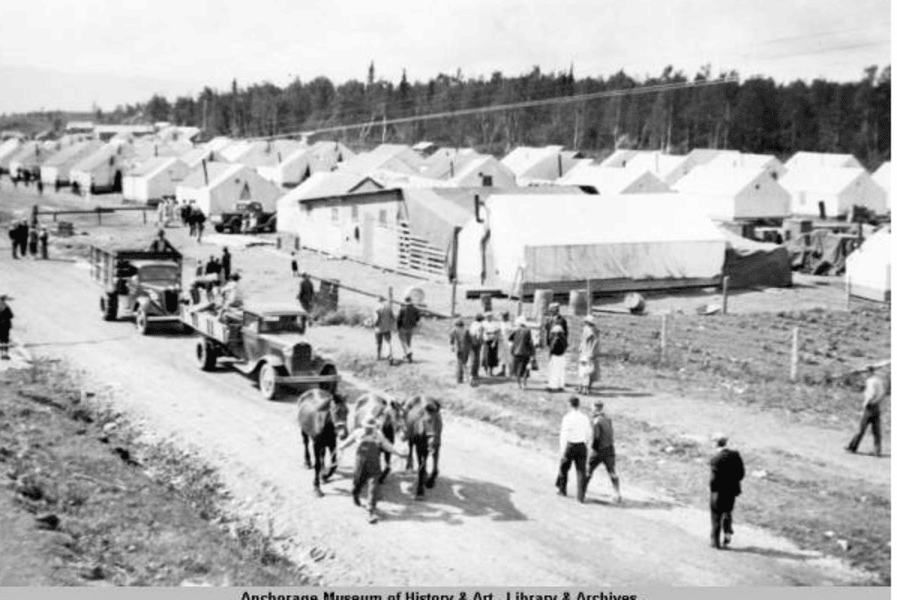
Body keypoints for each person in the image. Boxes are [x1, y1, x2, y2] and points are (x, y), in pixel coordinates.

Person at [339, 416, 407, 524]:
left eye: (372, 427)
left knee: (373, 487)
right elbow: (347, 442)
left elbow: (387, 445)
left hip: (374, 465)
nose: (369, 429)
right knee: (358, 483)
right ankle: (355, 493)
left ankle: (370, 511)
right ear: (363, 426)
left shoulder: (378, 435)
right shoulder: (357, 433)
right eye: (367, 427)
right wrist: (341, 447)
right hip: (360, 465)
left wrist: (398, 453)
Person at [709, 433, 745, 549]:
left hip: (718, 491)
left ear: (716, 443)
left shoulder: (715, 459)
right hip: (732, 490)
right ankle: (727, 533)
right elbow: (741, 474)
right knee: (727, 511)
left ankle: (715, 542)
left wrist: (713, 488)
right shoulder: (735, 455)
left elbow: (713, 479)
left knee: (716, 515)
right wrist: (733, 483)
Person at [555, 396, 592, 503]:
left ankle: (562, 489)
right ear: (578, 405)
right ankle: (581, 496)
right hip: (581, 445)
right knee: (581, 471)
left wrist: (562, 450)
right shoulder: (584, 417)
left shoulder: (567, 418)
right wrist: (587, 443)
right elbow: (589, 432)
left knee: (564, 468)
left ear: (570, 405)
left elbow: (564, 435)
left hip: (570, 445)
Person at [846, 365, 888, 457]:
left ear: (870, 372)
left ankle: (853, 447)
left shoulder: (870, 381)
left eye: (866, 372)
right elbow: (883, 392)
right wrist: (877, 401)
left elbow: (871, 393)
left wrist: (869, 402)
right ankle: (877, 451)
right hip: (877, 406)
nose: (865, 373)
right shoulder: (878, 380)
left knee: (861, 429)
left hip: (870, 406)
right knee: (876, 430)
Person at [585, 401, 621, 503]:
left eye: (592, 408)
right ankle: (617, 494)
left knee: (589, 470)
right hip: (610, 448)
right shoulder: (608, 418)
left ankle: (582, 491)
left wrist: (592, 447)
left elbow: (596, 437)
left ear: (596, 408)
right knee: (612, 471)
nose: (591, 410)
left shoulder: (596, 421)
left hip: (599, 450)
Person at [508, 316, 535, 389]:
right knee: (525, 368)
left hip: (516, 351)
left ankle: (518, 384)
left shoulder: (515, 330)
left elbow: (509, 338)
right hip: (526, 352)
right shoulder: (528, 331)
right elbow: (530, 342)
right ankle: (524, 383)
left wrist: (513, 345)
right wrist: (532, 352)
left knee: (517, 368)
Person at [578, 315, 601, 395]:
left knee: (588, 370)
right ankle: (581, 386)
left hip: (588, 352)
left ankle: (586, 387)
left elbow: (595, 341)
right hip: (584, 351)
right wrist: (581, 347)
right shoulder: (586, 329)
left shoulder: (593, 330)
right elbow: (583, 339)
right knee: (582, 369)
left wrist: (591, 351)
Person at [396, 296, 421, 363]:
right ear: (411, 300)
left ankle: (408, 353)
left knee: (402, 341)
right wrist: (414, 322)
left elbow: (399, 319)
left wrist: (398, 327)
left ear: (405, 301)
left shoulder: (402, 309)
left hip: (403, 327)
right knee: (408, 342)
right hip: (411, 327)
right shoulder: (415, 309)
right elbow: (418, 318)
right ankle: (407, 355)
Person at [372, 296, 395, 363]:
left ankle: (378, 356)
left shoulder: (376, 308)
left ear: (378, 301)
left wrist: (374, 324)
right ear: (383, 300)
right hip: (387, 328)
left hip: (379, 328)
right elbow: (393, 318)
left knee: (379, 343)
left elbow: (376, 319)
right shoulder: (388, 307)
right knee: (388, 342)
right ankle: (390, 356)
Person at [449, 318, 472, 384]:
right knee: (463, 363)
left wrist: (452, 346)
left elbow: (451, 340)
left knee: (460, 364)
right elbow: (470, 340)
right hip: (465, 349)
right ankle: (463, 378)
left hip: (460, 349)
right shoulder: (466, 330)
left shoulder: (454, 330)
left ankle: (460, 379)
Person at [547, 323, 568, 392]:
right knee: (561, 372)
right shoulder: (564, 338)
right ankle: (560, 385)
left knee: (554, 372)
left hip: (555, 356)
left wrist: (550, 354)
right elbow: (566, 346)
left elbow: (552, 348)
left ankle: (553, 386)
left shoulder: (556, 338)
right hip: (562, 356)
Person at [467, 314, 485, 383]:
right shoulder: (480, 326)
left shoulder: (473, 324)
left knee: (472, 357)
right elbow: (479, 336)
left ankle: (472, 373)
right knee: (476, 358)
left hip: (471, 341)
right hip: (477, 343)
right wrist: (482, 341)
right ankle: (474, 374)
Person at [481, 312, 501, 376]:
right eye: (487, 316)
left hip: (493, 340)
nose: (489, 318)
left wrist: (494, 341)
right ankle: (486, 370)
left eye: (490, 316)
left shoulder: (495, 324)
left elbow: (498, 332)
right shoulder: (483, 323)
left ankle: (491, 370)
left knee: (493, 356)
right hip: (486, 340)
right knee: (486, 356)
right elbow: (482, 332)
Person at [498, 311, 513, 377]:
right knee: (502, 357)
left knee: (509, 357)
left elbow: (511, 332)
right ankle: (503, 371)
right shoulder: (501, 323)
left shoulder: (508, 324)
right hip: (502, 342)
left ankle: (510, 372)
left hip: (507, 342)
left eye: (503, 316)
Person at [0, 295, 13, 360]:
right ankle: (5, 355)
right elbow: (11, 315)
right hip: (6, 325)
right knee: (5, 340)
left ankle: (2, 354)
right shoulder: (6, 307)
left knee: (1, 340)